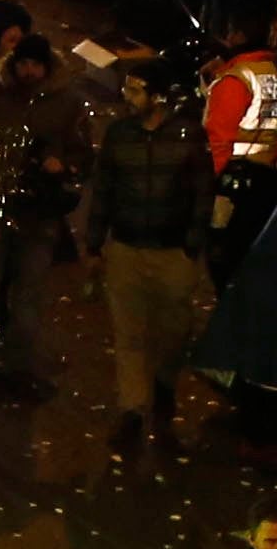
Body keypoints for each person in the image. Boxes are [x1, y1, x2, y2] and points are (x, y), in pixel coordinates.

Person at [88, 86, 216, 471]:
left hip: (172, 250)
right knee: (129, 332)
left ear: (157, 95)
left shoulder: (187, 135)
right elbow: (104, 189)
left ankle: (163, 386)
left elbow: (203, 191)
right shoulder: (119, 134)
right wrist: (95, 243)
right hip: (127, 246)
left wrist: (192, 242)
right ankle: (132, 408)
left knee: (174, 329)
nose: (128, 95)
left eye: (136, 88)